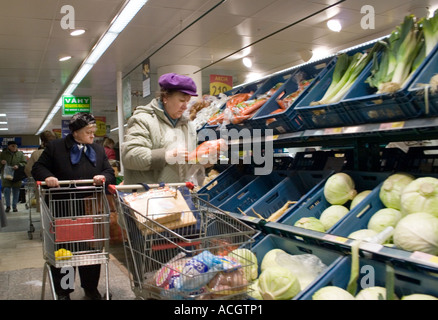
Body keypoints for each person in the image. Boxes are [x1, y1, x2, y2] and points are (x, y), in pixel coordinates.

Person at [32, 112, 116, 300]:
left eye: (94, 132)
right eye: (88, 132)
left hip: (90, 209)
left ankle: (90, 288)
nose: (93, 136)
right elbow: (38, 168)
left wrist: (103, 177)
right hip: (62, 209)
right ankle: (65, 291)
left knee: (91, 252)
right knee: (65, 254)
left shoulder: (98, 150)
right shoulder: (55, 147)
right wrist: (48, 177)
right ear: (75, 132)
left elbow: (109, 173)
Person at [121, 73, 201, 184]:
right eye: (182, 101)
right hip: (149, 197)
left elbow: (190, 162)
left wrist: (203, 161)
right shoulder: (142, 120)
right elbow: (130, 156)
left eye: (188, 101)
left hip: (179, 196)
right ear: (165, 98)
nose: (185, 106)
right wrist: (167, 155)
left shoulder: (188, 126)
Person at [24, 130, 57, 212]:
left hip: (42, 185)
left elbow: (28, 170)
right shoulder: (62, 151)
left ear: (42, 141)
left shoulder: (36, 154)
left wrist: (35, 178)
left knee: (45, 209)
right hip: (60, 185)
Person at [0, 141, 27, 212]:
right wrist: (1, 163)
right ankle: (8, 206)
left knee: (16, 191)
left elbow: (24, 163)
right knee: (6, 190)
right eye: (12, 146)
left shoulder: (20, 154)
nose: (14, 147)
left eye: (15, 146)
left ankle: (14, 206)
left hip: (17, 175)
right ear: (8, 146)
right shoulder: (2, 154)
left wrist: (18, 165)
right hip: (6, 175)